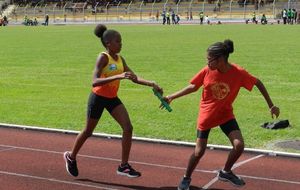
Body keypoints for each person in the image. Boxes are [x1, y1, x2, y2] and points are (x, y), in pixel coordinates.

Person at [162, 39, 280, 190]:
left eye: (209, 59)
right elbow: (193, 86)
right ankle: (186, 178)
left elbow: (258, 82)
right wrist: (172, 96)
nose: (207, 62)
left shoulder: (238, 73)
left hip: (225, 114)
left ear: (220, 59)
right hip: (207, 115)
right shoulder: (207, 70)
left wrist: (271, 105)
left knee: (239, 145)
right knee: (199, 152)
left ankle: (226, 172)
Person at [63, 24, 163, 178]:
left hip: (112, 99)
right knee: (88, 131)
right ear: (108, 43)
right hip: (98, 98)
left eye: (121, 41)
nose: (121, 44)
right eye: (118, 41)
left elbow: (133, 77)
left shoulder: (120, 59)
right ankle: (71, 156)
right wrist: (117, 76)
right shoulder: (103, 57)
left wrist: (152, 83)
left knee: (128, 128)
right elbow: (94, 81)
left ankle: (123, 166)